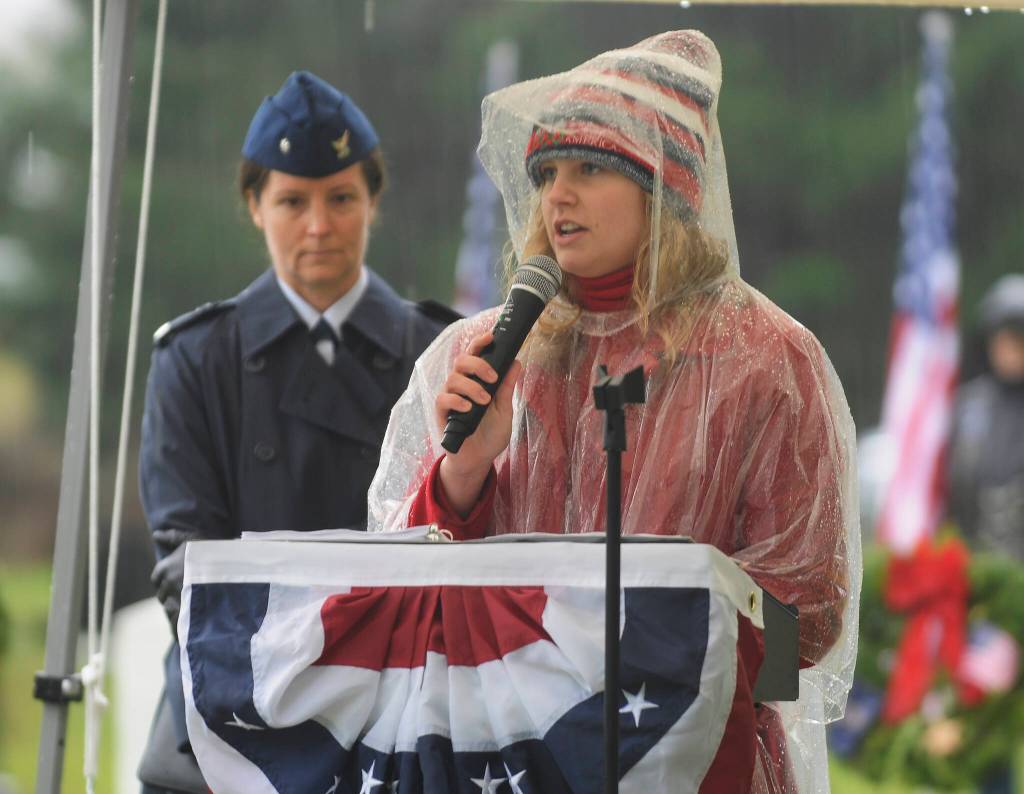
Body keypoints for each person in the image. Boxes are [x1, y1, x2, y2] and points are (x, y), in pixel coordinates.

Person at [369, 31, 860, 793]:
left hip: (690, 766)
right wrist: (463, 474)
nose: (556, 195)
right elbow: (395, 600)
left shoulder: (767, 360)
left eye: (590, 168)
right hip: (502, 761)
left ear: (666, 187)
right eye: (546, 173)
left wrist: (637, 648)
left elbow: (810, 621)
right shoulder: (477, 352)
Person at [137, 70, 457, 792]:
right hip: (232, 713)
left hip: (402, 714)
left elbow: (466, 548)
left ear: (373, 201)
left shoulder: (438, 352)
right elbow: (188, 567)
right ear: (255, 207)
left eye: (341, 198)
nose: (319, 225)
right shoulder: (195, 360)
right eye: (292, 201)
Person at [948, 273, 1024, 561]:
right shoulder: (970, 405)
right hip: (976, 562)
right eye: (1002, 340)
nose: (1008, 351)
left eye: (1017, 340)